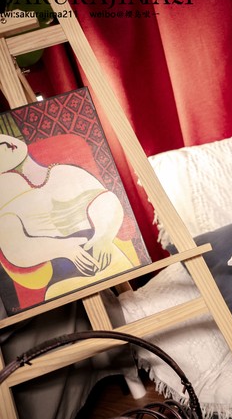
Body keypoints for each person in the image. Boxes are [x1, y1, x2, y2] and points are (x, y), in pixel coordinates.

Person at [0, 131, 137, 313]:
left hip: (106, 252)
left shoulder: (64, 171)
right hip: (60, 273)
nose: (3, 142)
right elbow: (15, 250)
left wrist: (103, 237)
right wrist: (64, 249)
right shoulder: (5, 198)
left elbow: (107, 199)